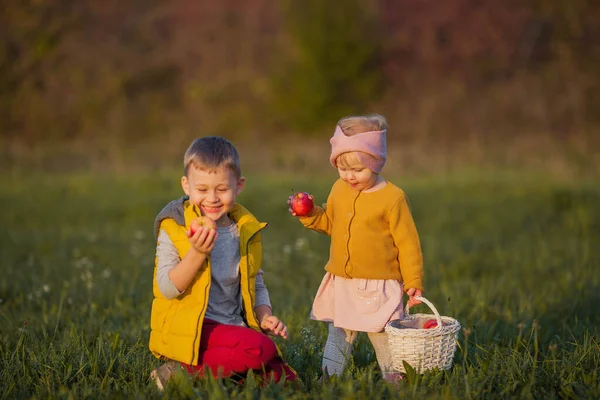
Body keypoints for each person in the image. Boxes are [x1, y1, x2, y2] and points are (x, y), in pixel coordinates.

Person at [149, 136, 297, 390]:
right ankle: (178, 371)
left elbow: (255, 281)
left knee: (285, 379)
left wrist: (265, 316)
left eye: (222, 189)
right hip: (194, 327)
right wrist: (197, 253)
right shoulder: (174, 226)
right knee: (261, 349)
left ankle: (223, 371)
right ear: (186, 185)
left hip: (231, 325)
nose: (213, 198)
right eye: (202, 189)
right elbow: (167, 288)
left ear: (239, 186)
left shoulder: (243, 228)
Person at [288, 114, 424, 383]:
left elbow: (408, 243)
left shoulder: (392, 198)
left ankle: (394, 378)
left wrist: (413, 279)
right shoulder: (339, 188)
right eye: (342, 168)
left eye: (357, 170)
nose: (349, 176)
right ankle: (329, 378)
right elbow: (330, 222)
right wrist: (309, 213)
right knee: (339, 332)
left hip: (379, 284)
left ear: (376, 163)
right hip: (345, 281)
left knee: (381, 334)